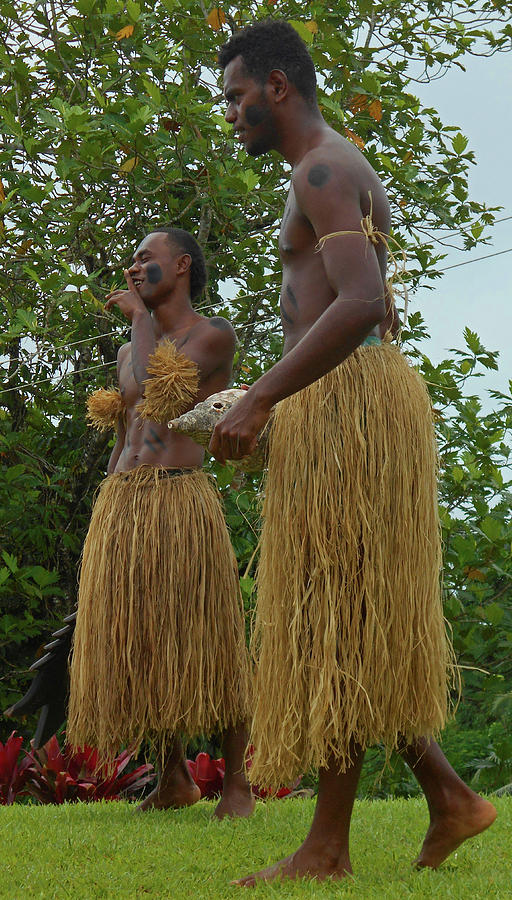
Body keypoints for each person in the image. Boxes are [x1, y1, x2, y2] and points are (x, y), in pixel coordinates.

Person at [209, 20, 496, 881]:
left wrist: (261, 397)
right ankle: (448, 798)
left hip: (348, 412)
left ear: (277, 87)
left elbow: (364, 302)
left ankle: (328, 847)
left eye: (236, 97)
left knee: (336, 617)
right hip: (352, 405)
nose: (232, 115)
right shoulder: (338, 158)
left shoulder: (323, 168)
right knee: (352, 618)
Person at [67, 227, 254, 819]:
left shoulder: (212, 335)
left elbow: (156, 387)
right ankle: (173, 777)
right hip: (124, 501)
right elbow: (129, 425)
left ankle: (238, 786)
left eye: (145, 258)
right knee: (143, 640)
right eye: (132, 258)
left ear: (180, 266)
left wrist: (138, 319)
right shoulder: (130, 346)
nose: (133, 267)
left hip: (180, 500)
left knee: (209, 637)